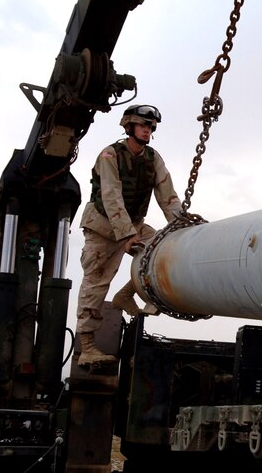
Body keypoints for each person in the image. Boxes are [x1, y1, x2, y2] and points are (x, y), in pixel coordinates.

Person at [75, 104, 182, 367]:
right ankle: (87, 347)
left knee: (161, 251)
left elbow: (167, 196)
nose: (147, 131)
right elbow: (111, 196)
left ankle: (125, 294)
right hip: (102, 228)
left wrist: (181, 226)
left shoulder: (153, 159)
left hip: (133, 226)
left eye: (151, 127)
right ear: (129, 126)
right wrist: (125, 235)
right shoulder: (110, 155)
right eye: (143, 126)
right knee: (96, 283)